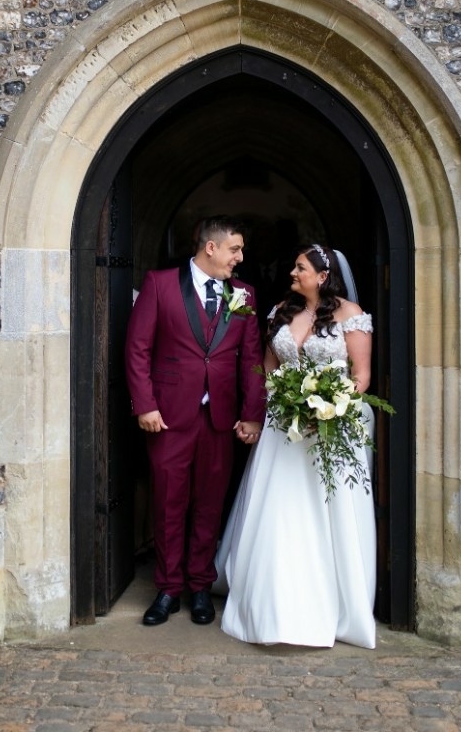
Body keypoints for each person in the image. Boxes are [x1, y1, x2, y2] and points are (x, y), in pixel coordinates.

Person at [214, 243, 377, 648]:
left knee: (327, 511)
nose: (292, 272)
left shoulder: (351, 316)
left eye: (299, 267)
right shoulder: (281, 313)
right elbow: (269, 369)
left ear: (322, 276)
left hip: (332, 427)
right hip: (283, 426)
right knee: (278, 507)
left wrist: (328, 407)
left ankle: (333, 603)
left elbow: (361, 377)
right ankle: (269, 602)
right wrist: (284, 401)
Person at [125, 215, 266, 627]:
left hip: (220, 419)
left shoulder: (244, 294)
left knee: (209, 505)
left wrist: (251, 415)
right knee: (168, 503)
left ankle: (201, 587)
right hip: (167, 417)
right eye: (234, 249)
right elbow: (137, 349)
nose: (239, 259)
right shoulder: (159, 284)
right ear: (211, 247)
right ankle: (168, 589)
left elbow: (252, 360)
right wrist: (145, 406)